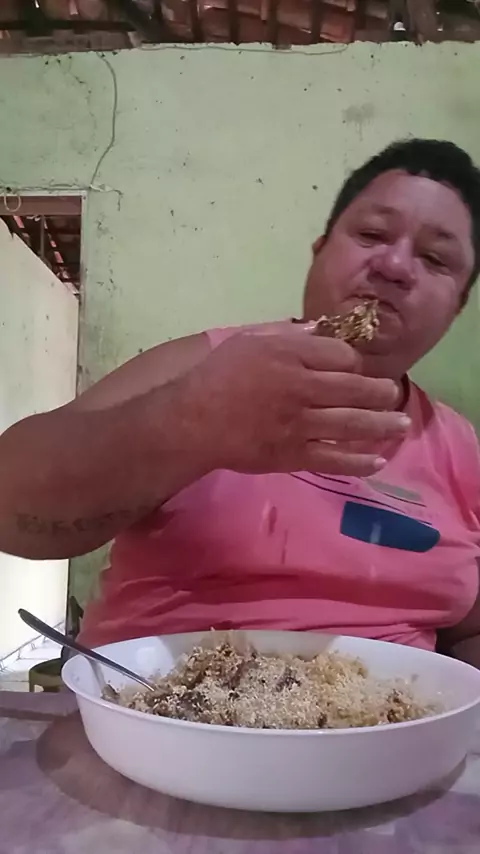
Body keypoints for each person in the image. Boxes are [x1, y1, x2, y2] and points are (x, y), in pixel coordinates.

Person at [1, 138, 480, 665]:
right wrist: (192, 420)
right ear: (319, 252)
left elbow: (468, 626)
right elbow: (10, 507)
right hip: (155, 704)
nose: (394, 265)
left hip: (392, 713)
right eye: (371, 234)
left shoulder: (459, 446)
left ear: (457, 307)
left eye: (435, 258)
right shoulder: (209, 365)